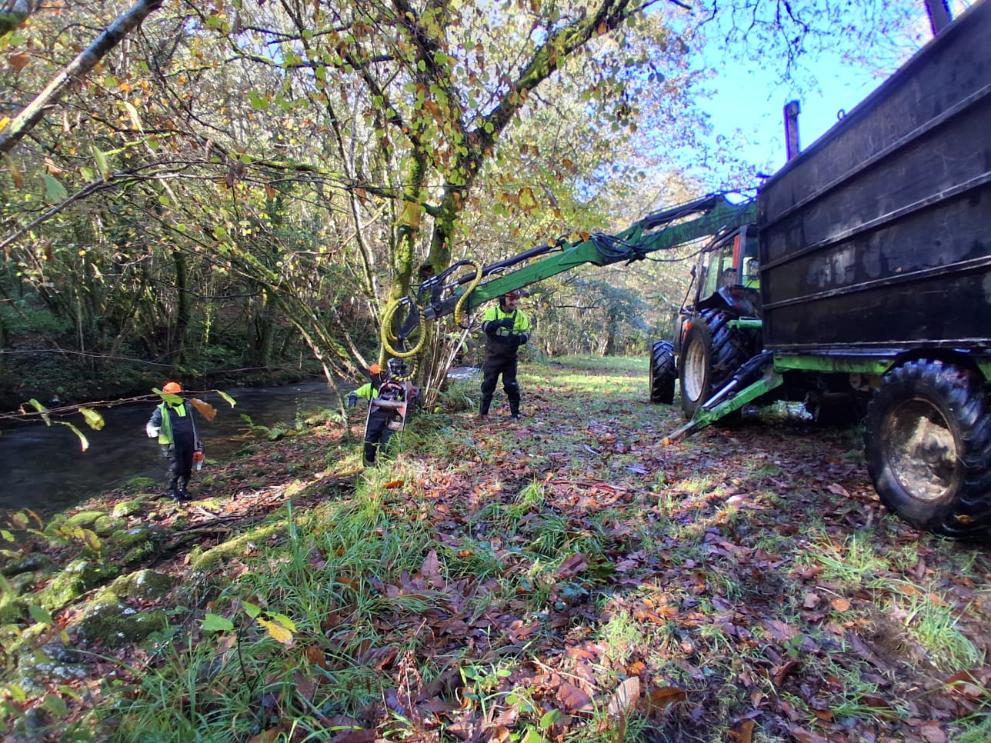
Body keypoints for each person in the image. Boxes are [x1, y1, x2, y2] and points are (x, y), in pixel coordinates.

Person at [347, 359, 417, 465]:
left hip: (393, 418)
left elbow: (411, 396)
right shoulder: (370, 388)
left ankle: (385, 465)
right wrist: (352, 397)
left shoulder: (403, 384)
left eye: (377, 374)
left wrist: (408, 395)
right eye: (373, 374)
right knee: (369, 443)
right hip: (374, 418)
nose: (375, 377)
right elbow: (354, 392)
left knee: (387, 443)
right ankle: (369, 464)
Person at [146, 381, 203, 502]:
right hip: (171, 444)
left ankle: (183, 488)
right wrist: (151, 428)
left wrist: (198, 444)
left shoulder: (187, 406)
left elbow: (194, 425)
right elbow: (153, 421)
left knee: (187, 468)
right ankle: (172, 491)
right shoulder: (161, 409)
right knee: (176, 468)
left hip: (188, 442)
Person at [479, 290, 532, 419]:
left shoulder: (520, 316)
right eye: (511, 299)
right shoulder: (493, 312)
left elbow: (527, 332)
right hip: (493, 358)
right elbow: (485, 326)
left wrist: (520, 338)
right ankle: (483, 414)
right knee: (488, 385)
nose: (514, 302)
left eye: (516, 298)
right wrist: (500, 323)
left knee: (511, 385)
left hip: (510, 358)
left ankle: (515, 414)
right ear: (503, 299)